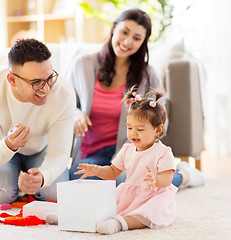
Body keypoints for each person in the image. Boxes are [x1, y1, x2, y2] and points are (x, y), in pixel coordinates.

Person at [69, 8, 205, 188]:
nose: (127, 42)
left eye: (136, 38)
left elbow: (161, 117)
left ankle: (183, 176)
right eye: (124, 32)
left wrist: (143, 115)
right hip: (90, 151)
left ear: (143, 42)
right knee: (78, 177)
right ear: (114, 28)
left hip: (130, 151)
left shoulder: (147, 75)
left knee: (123, 181)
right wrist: (76, 114)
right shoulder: (82, 65)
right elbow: (65, 103)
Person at [0, 38, 76, 206]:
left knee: (55, 195)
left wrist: (43, 176)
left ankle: (27, 183)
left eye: (50, 78)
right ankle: (14, 183)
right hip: (2, 148)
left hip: (42, 150)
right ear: (12, 80)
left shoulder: (64, 93)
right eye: (36, 83)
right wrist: (9, 144)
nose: (46, 89)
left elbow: (60, 153)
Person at [75, 88, 177, 234]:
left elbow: (167, 179)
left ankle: (119, 224)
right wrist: (97, 170)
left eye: (140, 129)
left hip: (153, 196)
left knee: (144, 214)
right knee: (106, 206)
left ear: (158, 130)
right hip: (130, 193)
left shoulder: (162, 152)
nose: (133, 133)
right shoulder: (127, 149)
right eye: (129, 127)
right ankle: (73, 216)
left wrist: (156, 180)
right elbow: (112, 172)